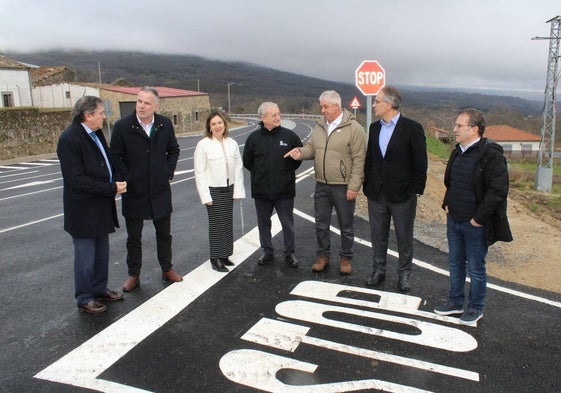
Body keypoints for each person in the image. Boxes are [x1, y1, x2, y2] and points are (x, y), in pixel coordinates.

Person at [434, 108, 512, 326]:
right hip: (454, 220)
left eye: (459, 126)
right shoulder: (457, 151)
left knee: (476, 268)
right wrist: (447, 205)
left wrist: (478, 219)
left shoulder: (491, 155)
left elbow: (498, 191)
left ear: (474, 129)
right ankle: (455, 302)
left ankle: (476, 308)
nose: (454, 129)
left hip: (475, 225)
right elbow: (451, 182)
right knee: (455, 263)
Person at [57, 96, 127, 314]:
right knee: (85, 257)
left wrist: (118, 178)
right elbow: (75, 179)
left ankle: (99, 288)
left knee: (101, 254)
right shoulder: (70, 139)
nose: (104, 117)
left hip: (101, 206)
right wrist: (111, 188)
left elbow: (106, 162)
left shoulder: (96, 133)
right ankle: (85, 297)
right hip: (83, 210)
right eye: (100, 113)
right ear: (87, 116)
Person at [284, 90, 366, 275]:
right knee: (321, 223)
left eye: (325, 106)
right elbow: (312, 149)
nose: (322, 110)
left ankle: (346, 258)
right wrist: (300, 152)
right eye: (321, 106)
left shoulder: (355, 129)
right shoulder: (320, 127)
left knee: (346, 226)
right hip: (321, 184)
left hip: (343, 186)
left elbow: (360, 159)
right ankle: (323, 257)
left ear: (337, 106)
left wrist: (354, 186)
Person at [110, 86, 182, 292]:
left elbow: (173, 150)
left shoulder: (164, 124)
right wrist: (127, 177)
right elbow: (115, 156)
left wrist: (167, 172)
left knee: (164, 234)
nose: (141, 106)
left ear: (155, 106)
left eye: (147, 103)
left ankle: (167, 269)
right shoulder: (123, 126)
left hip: (159, 190)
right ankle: (134, 274)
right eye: (139, 101)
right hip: (134, 191)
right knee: (134, 237)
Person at [363, 85, 427, 292]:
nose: (373, 105)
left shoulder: (412, 128)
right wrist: (367, 184)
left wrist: (416, 189)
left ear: (388, 104)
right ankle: (378, 271)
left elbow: (420, 162)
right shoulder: (374, 128)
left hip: (403, 195)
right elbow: (371, 159)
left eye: (377, 101)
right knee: (377, 235)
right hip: (376, 193)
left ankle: (404, 274)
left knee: (403, 236)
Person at [243, 102, 302, 267]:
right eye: (274, 115)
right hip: (261, 191)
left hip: (284, 190)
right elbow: (247, 162)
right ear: (263, 118)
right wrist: (261, 176)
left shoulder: (290, 136)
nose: (278, 117)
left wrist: (284, 175)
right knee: (263, 223)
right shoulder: (253, 138)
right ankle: (267, 251)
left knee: (287, 224)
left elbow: (298, 159)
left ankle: (290, 253)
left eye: (278, 113)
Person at [194, 111, 245, 272]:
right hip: (213, 190)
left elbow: (238, 168)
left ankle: (225, 255)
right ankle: (215, 258)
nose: (217, 126)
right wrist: (205, 196)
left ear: (225, 124)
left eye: (220, 123)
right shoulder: (203, 145)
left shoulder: (232, 143)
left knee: (227, 223)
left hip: (229, 188)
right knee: (216, 225)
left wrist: (237, 191)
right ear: (209, 127)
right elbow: (199, 172)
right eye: (214, 124)